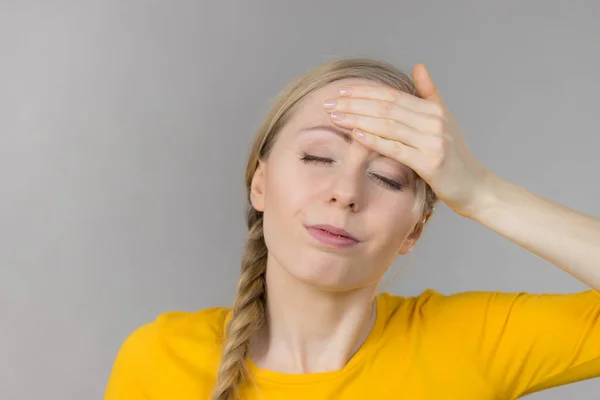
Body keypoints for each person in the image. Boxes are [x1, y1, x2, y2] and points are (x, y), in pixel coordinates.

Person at [104, 58, 600, 400]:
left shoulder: (474, 340)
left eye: (387, 177)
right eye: (319, 156)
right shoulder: (158, 359)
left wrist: (482, 193)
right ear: (260, 183)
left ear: (414, 232)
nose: (346, 192)